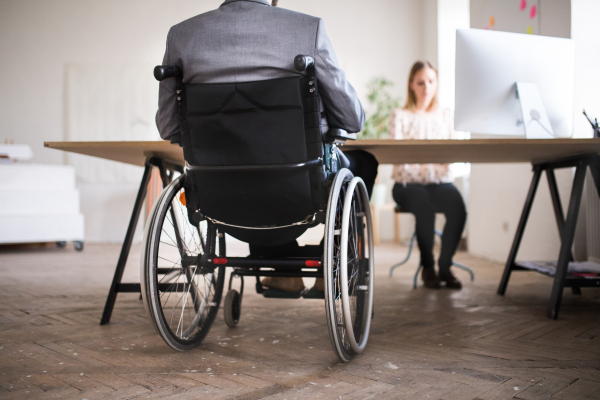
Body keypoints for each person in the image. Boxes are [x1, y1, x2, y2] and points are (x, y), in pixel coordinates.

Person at [156, 0, 378, 293]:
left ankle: (279, 268)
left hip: (221, 198)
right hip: (298, 193)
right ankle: (333, 263)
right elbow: (352, 119)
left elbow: (169, 127)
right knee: (363, 163)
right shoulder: (307, 28)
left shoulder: (181, 36)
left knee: (251, 165)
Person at [389, 61, 467, 289]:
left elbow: (451, 155)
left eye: (431, 81)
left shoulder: (446, 115)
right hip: (406, 185)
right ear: (411, 85)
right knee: (424, 207)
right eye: (421, 82)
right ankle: (427, 268)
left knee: (458, 208)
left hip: (438, 182)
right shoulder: (400, 115)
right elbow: (397, 157)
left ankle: (445, 266)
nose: (426, 87)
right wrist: (431, 162)